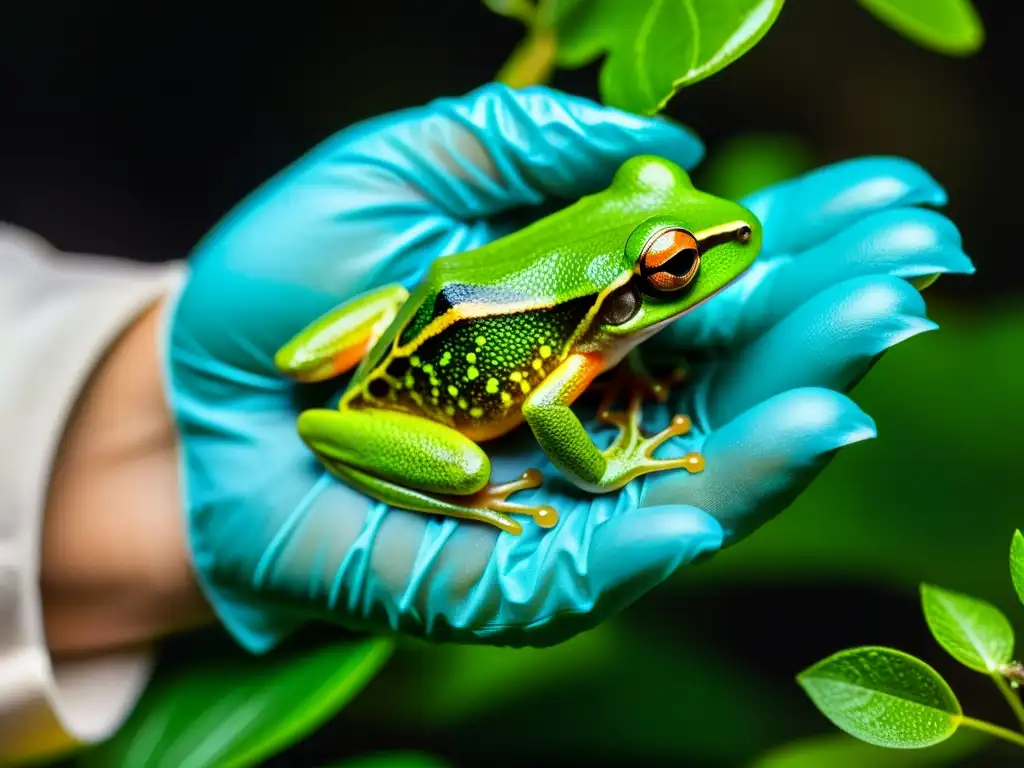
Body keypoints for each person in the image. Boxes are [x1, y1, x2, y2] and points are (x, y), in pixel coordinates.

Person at [0, 84, 973, 763]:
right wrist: (605, 467)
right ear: (638, 286)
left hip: (427, 315)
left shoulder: (608, 320)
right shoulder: (586, 345)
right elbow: (549, 405)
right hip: (416, 411)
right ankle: (472, 489)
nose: (693, 251)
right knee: (468, 471)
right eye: (678, 260)